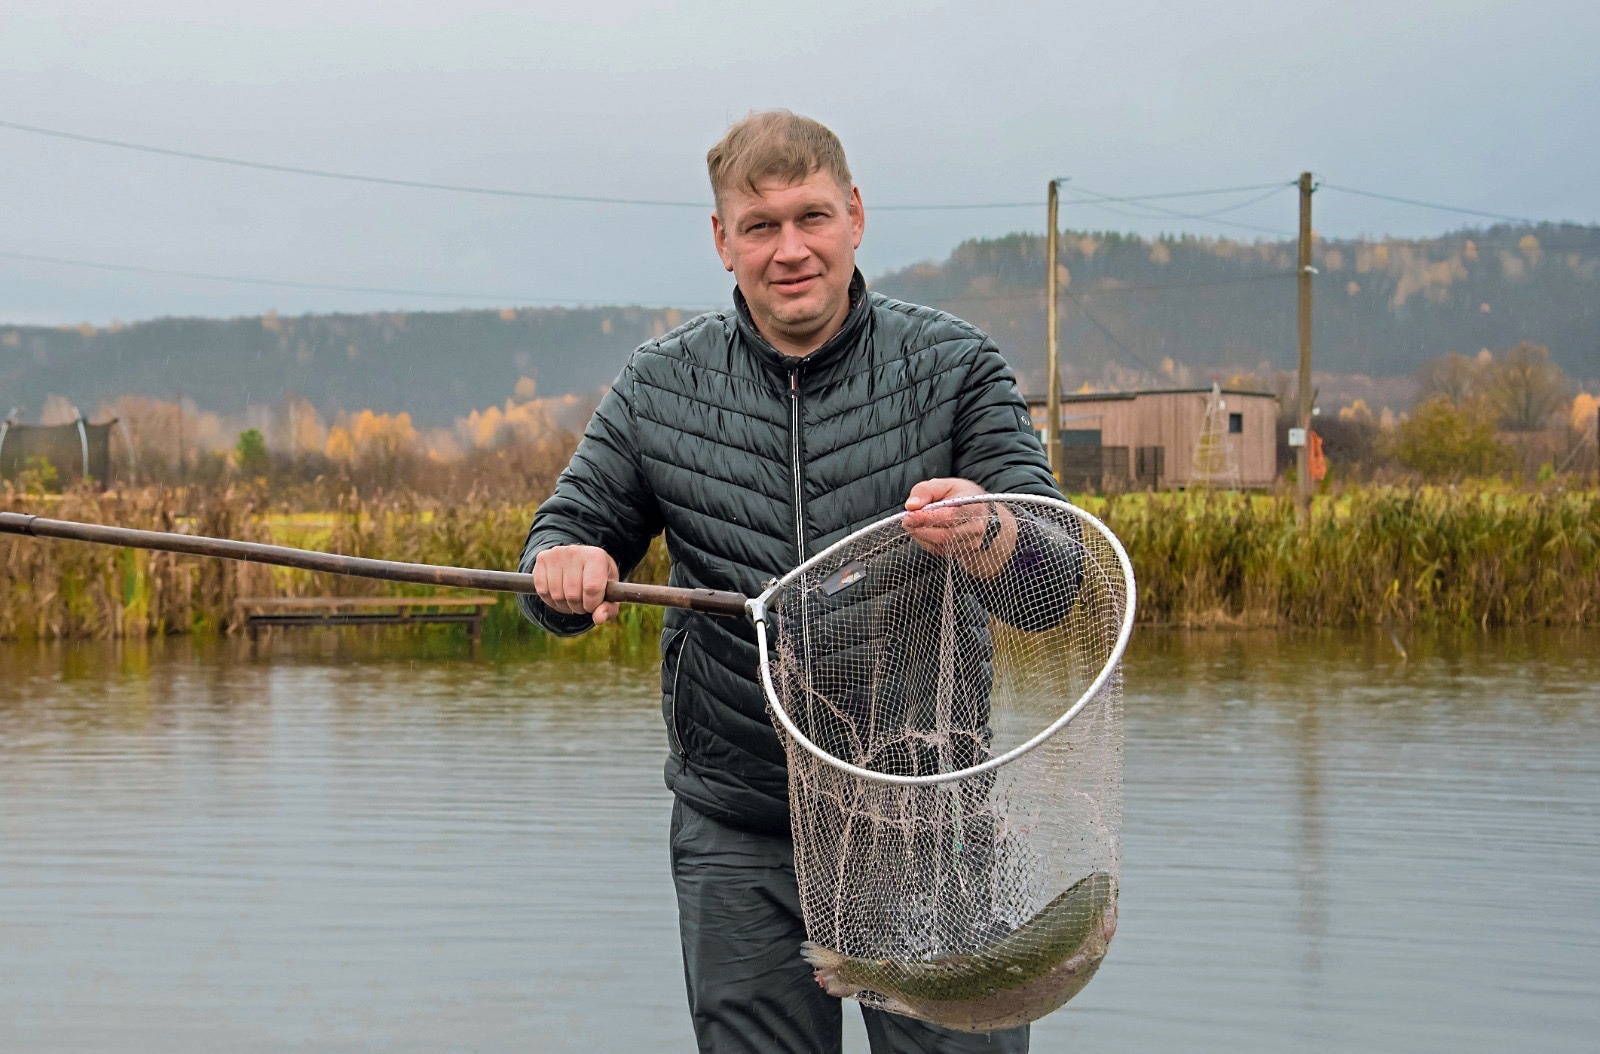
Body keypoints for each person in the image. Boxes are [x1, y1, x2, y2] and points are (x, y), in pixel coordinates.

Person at [517, 110, 1061, 1054]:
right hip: (740, 830)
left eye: (811, 217)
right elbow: (563, 540)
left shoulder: (956, 367)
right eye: (760, 226)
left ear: (854, 215)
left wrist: (992, 531)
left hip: (929, 822)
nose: (791, 249)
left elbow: (1054, 584)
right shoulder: (658, 387)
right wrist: (567, 569)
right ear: (721, 241)